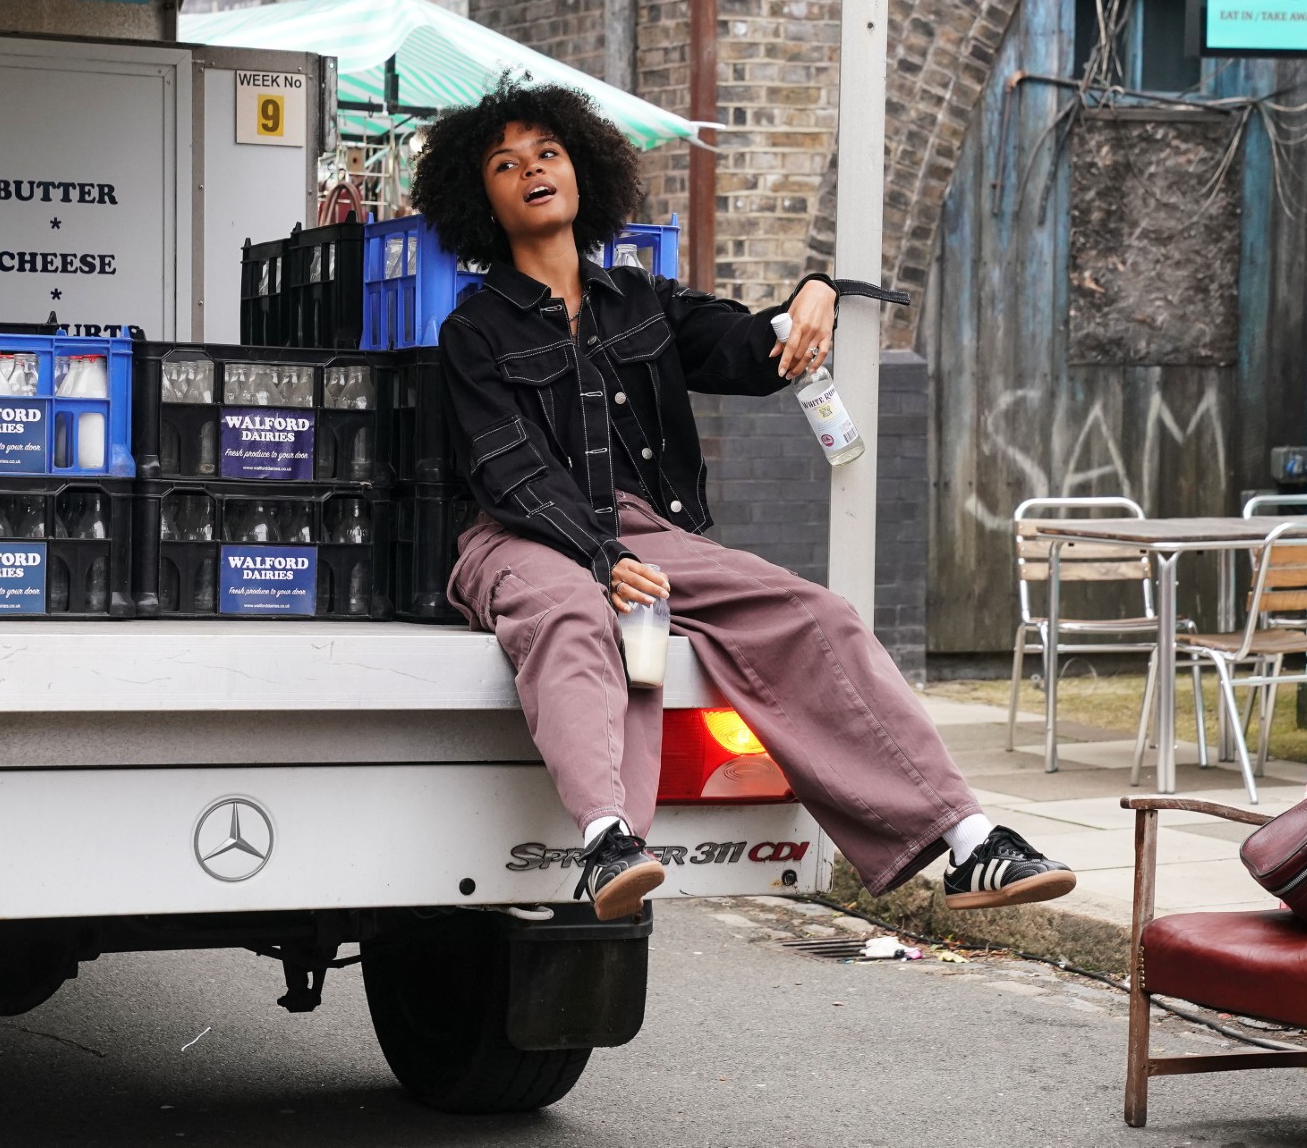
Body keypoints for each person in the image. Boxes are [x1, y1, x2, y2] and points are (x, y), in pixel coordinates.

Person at [414, 80, 1076, 921]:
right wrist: (601, 558)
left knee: (816, 614)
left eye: (548, 152)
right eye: (505, 165)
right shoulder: (475, 333)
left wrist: (810, 295)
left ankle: (971, 840)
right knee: (575, 614)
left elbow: (742, 346)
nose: (531, 170)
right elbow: (508, 471)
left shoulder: (640, 300)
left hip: (641, 535)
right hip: (518, 536)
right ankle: (607, 839)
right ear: (483, 199)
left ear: (582, 172)